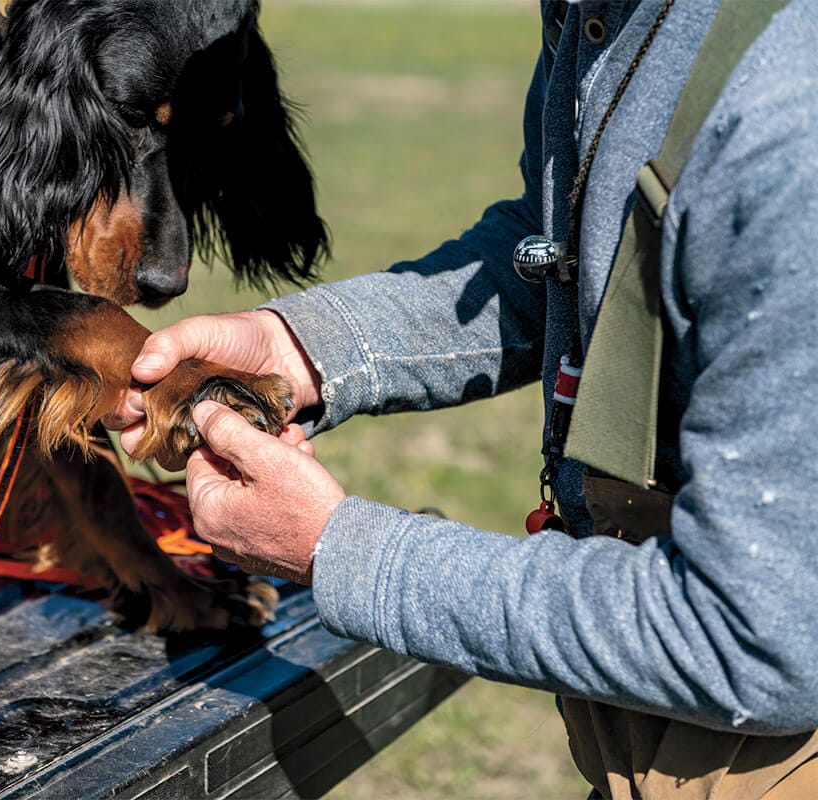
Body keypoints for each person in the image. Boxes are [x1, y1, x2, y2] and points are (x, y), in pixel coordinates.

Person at [107, 1, 818, 797]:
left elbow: (756, 642)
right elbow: (568, 249)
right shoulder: (597, 15)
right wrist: (303, 347)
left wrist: (339, 551)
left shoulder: (789, 113)